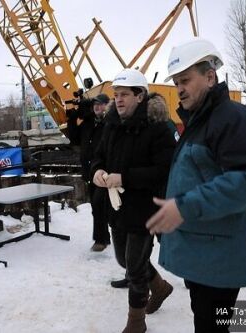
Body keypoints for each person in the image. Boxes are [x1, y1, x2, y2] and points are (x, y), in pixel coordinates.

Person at [145, 37, 246, 333]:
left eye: (185, 80)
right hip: (205, 252)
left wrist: (184, 207)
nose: (179, 89)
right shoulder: (201, 121)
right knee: (205, 320)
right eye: (176, 82)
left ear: (210, 76)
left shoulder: (232, 118)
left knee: (211, 326)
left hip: (220, 256)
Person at [92, 69, 176, 332]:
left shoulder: (158, 128)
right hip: (117, 209)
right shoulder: (111, 125)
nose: (118, 99)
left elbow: (164, 169)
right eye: (116, 95)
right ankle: (160, 287)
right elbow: (99, 156)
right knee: (124, 261)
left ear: (140, 96)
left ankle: (136, 322)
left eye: (124, 94)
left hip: (145, 210)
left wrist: (124, 178)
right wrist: (97, 171)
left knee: (135, 269)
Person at [67, 93, 111, 252]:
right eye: (95, 105)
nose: (98, 107)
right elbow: (74, 138)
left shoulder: (110, 123)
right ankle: (103, 237)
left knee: (100, 204)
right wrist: (72, 118)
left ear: (107, 105)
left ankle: (102, 239)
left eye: (101, 104)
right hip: (90, 171)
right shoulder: (88, 123)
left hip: (104, 171)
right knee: (96, 205)